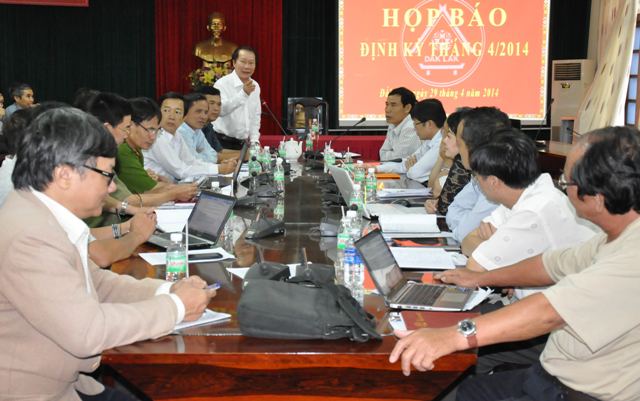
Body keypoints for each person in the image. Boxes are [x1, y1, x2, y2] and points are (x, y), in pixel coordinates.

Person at [391, 126, 640, 401]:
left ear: (597, 197)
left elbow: (548, 311)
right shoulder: (617, 236)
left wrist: (451, 336)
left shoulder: (632, 258)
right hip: (551, 374)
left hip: (578, 393)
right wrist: (480, 278)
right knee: (461, 390)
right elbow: (549, 265)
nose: (562, 190)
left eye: (566, 183)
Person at [0, 107, 216, 400]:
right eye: (106, 174)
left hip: (70, 382)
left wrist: (168, 289)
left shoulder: (42, 214)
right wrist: (176, 307)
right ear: (64, 175)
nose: (112, 186)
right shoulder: (30, 236)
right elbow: (87, 332)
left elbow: (97, 283)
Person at [445, 107, 509, 242]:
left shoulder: (496, 181)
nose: (459, 150)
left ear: (473, 147)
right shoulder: (479, 175)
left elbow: (463, 234)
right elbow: (452, 210)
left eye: (459, 144)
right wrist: (465, 226)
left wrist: (463, 228)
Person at [144, 92, 236, 181]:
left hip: (171, 185)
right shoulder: (156, 138)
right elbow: (180, 171)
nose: (171, 116)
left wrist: (219, 167)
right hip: (156, 187)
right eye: (166, 110)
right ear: (158, 114)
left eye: (177, 112)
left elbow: (191, 161)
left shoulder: (177, 135)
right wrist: (218, 169)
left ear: (184, 117)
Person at [377, 98, 446, 184]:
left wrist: (410, 170)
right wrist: (376, 169)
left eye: (415, 124)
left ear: (429, 124)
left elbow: (415, 174)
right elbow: (405, 164)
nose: (414, 127)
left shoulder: (440, 144)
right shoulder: (429, 141)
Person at [424, 108, 472, 216]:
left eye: (448, 135)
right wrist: (435, 203)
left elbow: (436, 189)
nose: (444, 140)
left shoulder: (468, 171)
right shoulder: (459, 164)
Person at [213, 45, 261, 148]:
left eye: (251, 63)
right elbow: (220, 111)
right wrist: (243, 94)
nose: (247, 66)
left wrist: (254, 141)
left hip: (243, 144)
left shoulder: (255, 86)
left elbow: (255, 117)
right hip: (222, 143)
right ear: (234, 63)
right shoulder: (222, 84)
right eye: (243, 62)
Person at [194, 85, 241, 162]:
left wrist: (245, 153)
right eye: (211, 103)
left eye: (219, 104)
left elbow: (219, 151)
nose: (216, 108)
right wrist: (244, 155)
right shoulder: (193, 127)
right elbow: (211, 157)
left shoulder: (208, 125)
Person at [378, 87, 421, 161]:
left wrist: (391, 153)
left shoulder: (412, 127)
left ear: (407, 108)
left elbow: (398, 159)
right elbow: (382, 154)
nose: (387, 110)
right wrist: (392, 153)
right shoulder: (392, 125)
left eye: (393, 105)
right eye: (387, 104)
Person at [178, 92, 220, 163]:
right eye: (198, 111)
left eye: (206, 112)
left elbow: (213, 155)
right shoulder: (180, 131)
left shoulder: (197, 130)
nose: (203, 117)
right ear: (184, 112)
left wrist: (199, 156)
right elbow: (192, 161)